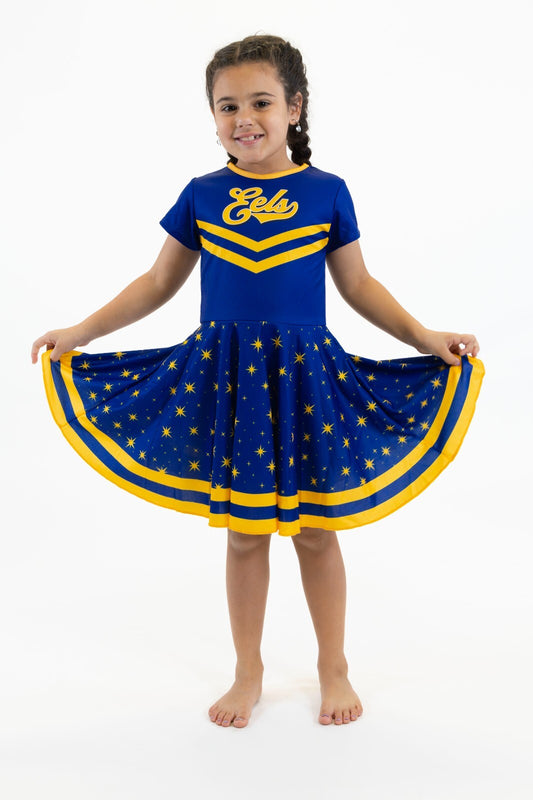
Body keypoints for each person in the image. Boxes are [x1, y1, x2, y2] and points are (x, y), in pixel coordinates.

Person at [31, 34, 483, 729]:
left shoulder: (326, 191)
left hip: (305, 378)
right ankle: (248, 670)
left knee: (315, 530)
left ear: (294, 107)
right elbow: (157, 282)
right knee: (244, 534)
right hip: (230, 381)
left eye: (261, 102)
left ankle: (334, 666)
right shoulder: (202, 195)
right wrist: (82, 332)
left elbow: (358, 285)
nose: (244, 118)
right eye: (228, 106)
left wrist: (423, 337)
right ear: (212, 116)